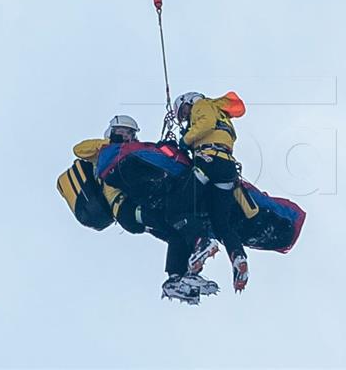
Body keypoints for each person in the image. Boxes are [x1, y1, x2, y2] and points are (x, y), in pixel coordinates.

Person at [72, 115, 218, 304]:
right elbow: (78, 149)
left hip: (134, 209)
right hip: (125, 208)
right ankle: (196, 247)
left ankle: (177, 277)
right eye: (126, 132)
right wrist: (109, 143)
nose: (130, 137)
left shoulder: (129, 151)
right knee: (171, 216)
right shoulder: (105, 152)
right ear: (114, 131)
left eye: (132, 134)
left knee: (175, 233)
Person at [174, 91, 250, 292]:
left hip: (208, 160)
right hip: (226, 167)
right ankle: (238, 257)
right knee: (221, 223)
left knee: (178, 206)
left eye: (183, 112)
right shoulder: (221, 114)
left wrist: (186, 140)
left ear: (188, 102)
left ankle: (202, 241)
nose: (185, 119)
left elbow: (205, 123)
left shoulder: (202, 105)